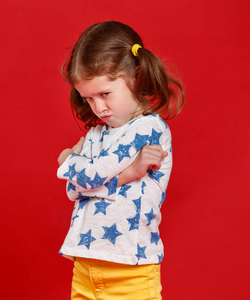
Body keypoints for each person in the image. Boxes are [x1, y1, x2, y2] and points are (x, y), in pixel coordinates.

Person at [57, 21, 184, 299]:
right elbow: (73, 190)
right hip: (86, 261)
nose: (98, 108)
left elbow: (88, 177)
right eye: (88, 98)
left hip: (129, 266)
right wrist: (127, 174)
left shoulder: (148, 128)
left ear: (135, 76)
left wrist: (67, 160)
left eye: (105, 94)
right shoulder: (96, 133)